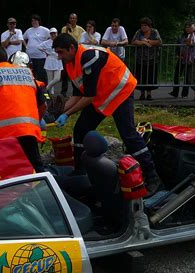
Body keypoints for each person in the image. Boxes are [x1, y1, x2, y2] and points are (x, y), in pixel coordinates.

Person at [52, 33, 162, 195]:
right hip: (103, 95)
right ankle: (81, 172)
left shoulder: (89, 57)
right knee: (81, 129)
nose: (59, 56)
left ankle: (152, 176)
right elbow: (77, 95)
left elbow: (89, 96)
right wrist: (60, 112)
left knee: (128, 135)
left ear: (72, 48)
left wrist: (67, 114)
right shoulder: (70, 63)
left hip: (120, 91)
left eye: (61, 52)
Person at [131, 17, 162, 100]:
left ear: (149, 26)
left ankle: (149, 94)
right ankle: (142, 94)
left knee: (150, 76)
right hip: (140, 59)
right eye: (142, 25)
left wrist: (148, 41)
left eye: (145, 25)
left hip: (152, 59)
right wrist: (142, 42)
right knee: (141, 77)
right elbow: (133, 41)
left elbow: (159, 42)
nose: (143, 27)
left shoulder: (154, 32)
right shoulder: (139, 32)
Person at [60, 13, 85, 97]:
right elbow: (62, 38)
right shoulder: (64, 28)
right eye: (71, 18)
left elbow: (84, 39)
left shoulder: (80, 29)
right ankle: (63, 92)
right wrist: (67, 30)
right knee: (65, 73)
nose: (72, 20)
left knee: (76, 73)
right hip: (66, 53)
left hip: (76, 53)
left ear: (76, 20)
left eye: (74, 18)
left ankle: (77, 92)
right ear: (69, 19)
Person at [169, 22, 194, 98]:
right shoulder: (181, 36)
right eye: (186, 27)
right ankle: (175, 92)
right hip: (181, 58)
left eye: (189, 27)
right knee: (177, 75)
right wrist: (177, 55)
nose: (187, 28)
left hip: (189, 59)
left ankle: (184, 94)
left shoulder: (193, 36)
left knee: (187, 77)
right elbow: (177, 46)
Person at [24, 14, 49, 84]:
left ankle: (43, 90)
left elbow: (52, 38)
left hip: (41, 56)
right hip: (30, 56)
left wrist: (47, 49)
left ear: (38, 21)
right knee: (32, 74)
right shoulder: (29, 30)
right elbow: (22, 38)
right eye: (32, 21)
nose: (34, 22)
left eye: (35, 20)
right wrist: (26, 46)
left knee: (41, 75)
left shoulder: (45, 30)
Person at [38, 27, 63, 95]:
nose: (53, 35)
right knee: (50, 79)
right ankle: (51, 95)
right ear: (50, 34)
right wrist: (45, 52)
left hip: (58, 60)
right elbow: (39, 47)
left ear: (57, 34)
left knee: (57, 78)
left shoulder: (60, 42)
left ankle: (46, 88)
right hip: (49, 60)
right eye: (52, 33)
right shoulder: (47, 42)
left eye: (54, 33)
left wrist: (61, 55)